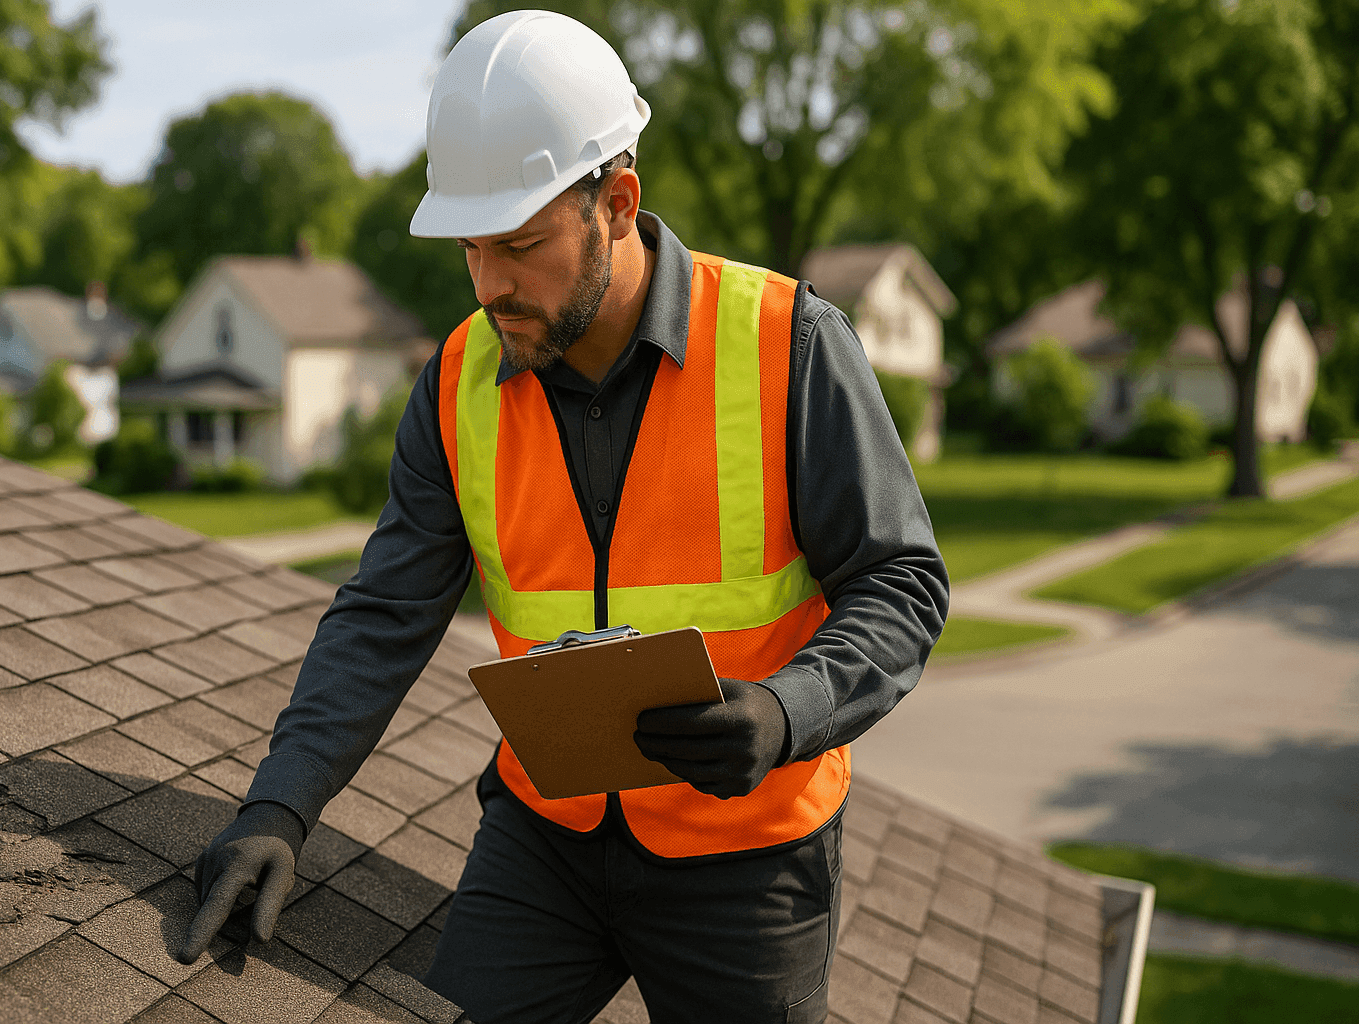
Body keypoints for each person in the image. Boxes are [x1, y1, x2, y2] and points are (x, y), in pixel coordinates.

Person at [183, 10, 947, 1023]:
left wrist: (788, 709)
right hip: (544, 837)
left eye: (520, 244)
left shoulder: (788, 343)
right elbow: (381, 615)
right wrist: (278, 806)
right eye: (469, 248)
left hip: (749, 856)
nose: (490, 283)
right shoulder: (457, 382)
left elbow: (902, 581)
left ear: (617, 202)